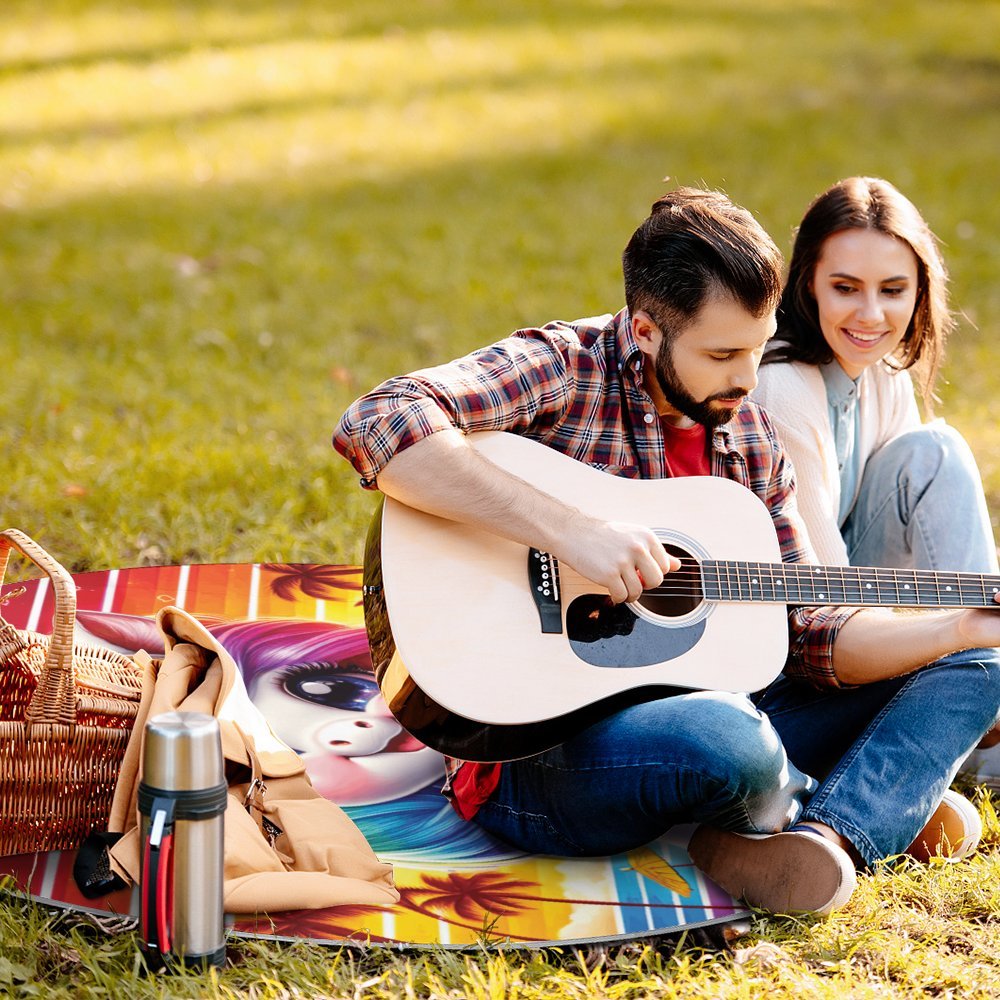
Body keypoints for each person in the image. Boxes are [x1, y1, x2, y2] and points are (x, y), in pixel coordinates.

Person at [333, 187, 1000, 916]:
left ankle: (829, 836)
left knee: (980, 664)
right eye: (722, 354)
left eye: (757, 346)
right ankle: (858, 796)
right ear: (646, 330)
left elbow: (809, 629)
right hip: (537, 755)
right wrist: (569, 531)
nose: (748, 380)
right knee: (728, 741)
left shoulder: (748, 435)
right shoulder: (564, 367)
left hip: (727, 709)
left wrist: (956, 628)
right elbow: (380, 419)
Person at [753, 176, 1000, 789]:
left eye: (893, 290)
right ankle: (976, 717)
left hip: (864, 614)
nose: (871, 315)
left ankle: (978, 699)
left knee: (931, 451)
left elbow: (921, 543)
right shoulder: (783, 386)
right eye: (845, 288)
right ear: (807, 281)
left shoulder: (882, 370)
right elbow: (824, 603)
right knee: (937, 451)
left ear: (920, 291)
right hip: (797, 650)